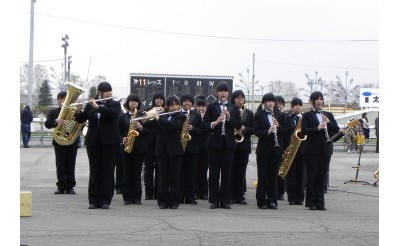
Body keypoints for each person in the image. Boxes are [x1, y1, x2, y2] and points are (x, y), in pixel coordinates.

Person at [75, 82, 121, 209]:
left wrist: (98, 107)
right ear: (100, 92)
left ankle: (105, 199)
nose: (109, 93)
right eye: (106, 91)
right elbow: (81, 119)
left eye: (110, 91)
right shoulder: (91, 105)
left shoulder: (115, 104)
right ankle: (93, 200)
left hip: (110, 142)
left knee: (107, 170)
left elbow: (113, 115)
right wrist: (78, 111)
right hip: (93, 141)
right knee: (95, 170)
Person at [203, 82, 241, 209]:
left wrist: (229, 118)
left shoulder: (233, 107)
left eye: (225, 91)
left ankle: (225, 199)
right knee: (214, 173)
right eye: (221, 91)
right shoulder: (211, 107)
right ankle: (214, 200)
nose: (223, 93)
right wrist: (216, 122)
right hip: (214, 144)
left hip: (228, 144)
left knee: (227, 173)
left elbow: (239, 125)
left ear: (228, 93)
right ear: (217, 92)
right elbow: (205, 124)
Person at [301, 91, 339, 211]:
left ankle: (320, 202)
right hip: (312, 150)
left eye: (321, 99)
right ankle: (311, 202)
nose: (319, 101)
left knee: (321, 177)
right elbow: (304, 131)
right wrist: (317, 128)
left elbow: (336, 129)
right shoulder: (307, 115)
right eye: (317, 99)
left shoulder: (328, 114)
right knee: (312, 176)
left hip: (325, 149)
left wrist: (329, 122)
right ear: (312, 102)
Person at [118, 94, 151, 205]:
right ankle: (127, 197)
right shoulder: (122, 117)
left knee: (137, 174)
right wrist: (123, 138)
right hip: (127, 148)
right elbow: (117, 133)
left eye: (136, 102)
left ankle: (137, 197)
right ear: (128, 103)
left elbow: (149, 133)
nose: (133, 103)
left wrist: (141, 127)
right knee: (127, 173)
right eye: (132, 101)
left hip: (139, 148)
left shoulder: (143, 116)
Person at [155, 96, 186, 209]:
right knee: (163, 177)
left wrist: (159, 118)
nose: (174, 107)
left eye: (176, 105)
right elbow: (151, 126)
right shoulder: (163, 116)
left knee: (174, 176)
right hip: (161, 149)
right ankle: (162, 201)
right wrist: (146, 119)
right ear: (167, 107)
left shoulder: (181, 116)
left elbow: (174, 126)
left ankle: (174, 201)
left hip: (175, 150)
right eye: (171, 105)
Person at [254, 93, 284, 209]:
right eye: (268, 101)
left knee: (273, 176)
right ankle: (261, 200)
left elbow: (286, 130)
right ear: (264, 103)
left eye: (272, 101)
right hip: (263, 150)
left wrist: (278, 127)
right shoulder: (258, 115)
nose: (271, 103)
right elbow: (256, 131)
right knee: (262, 176)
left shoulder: (279, 115)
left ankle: (272, 200)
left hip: (276, 150)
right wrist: (268, 131)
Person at [45, 92, 79, 195]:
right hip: (59, 141)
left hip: (72, 141)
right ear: (58, 100)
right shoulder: (54, 112)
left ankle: (70, 186)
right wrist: (56, 120)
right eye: (61, 99)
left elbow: (80, 123)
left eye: (65, 99)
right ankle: (60, 186)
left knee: (71, 164)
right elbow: (47, 124)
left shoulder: (75, 111)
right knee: (60, 164)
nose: (63, 101)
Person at [229, 90, 254, 205]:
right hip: (232, 145)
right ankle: (230, 195)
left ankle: (239, 196)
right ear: (233, 99)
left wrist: (245, 129)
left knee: (241, 172)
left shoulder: (249, 113)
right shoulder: (229, 111)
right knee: (231, 171)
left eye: (242, 98)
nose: (240, 100)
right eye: (238, 98)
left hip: (244, 145)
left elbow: (253, 129)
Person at [282, 97, 306, 205]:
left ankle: (300, 198)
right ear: (292, 107)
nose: (298, 107)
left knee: (301, 174)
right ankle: (291, 197)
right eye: (295, 105)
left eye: (300, 105)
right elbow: (284, 133)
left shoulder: (305, 119)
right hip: (291, 148)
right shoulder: (287, 118)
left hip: (301, 150)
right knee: (291, 175)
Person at [179, 94, 202, 205]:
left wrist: (193, 128)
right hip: (179, 147)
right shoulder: (177, 114)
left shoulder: (196, 115)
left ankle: (190, 197)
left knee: (191, 173)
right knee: (179, 173)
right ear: (181, 103)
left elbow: (201, 131)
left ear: (192, 104)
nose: (187, 103)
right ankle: (179, 196)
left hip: (192, 148)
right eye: (185, 101)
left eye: (189, 102)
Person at [144, 92, 165, 200]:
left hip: (161, 143)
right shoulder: (148, 111)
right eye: (157, 99)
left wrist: (160, 117)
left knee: (159, 169)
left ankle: (158, 192)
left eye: (161, 99)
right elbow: (146, 124)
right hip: (149, 143)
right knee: (148, 169)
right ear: (154, 100)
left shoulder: (166, 111)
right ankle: (148, 193)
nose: (159, 101)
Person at [194, 96, 209, 200]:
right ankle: (194, 191)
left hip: (206, 147)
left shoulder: (209, 117)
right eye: (199, 106)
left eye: (203, 106)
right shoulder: (193, 116)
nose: (201, 108)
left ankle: (203, 192)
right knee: (195, 169)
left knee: (204, 170)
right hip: (195, 146)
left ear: (206, 107)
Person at [274, 95, 287, 201]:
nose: (278, 105)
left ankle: (280, 192)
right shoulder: (268, 114)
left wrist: (278, 126)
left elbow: (286, 131)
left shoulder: (284, 116)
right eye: (276, 103)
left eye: (280, 104)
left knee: (280, 170)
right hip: (270, 145)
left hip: (280, 145)